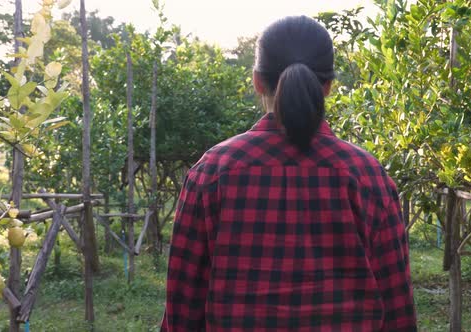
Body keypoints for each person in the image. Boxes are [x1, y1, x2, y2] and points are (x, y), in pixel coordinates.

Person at [161, 15, 416, 331]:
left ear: (257, 81)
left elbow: (182, 308)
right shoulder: (368, 176)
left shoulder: (212, 172)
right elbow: (398, 309)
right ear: (328, 87)